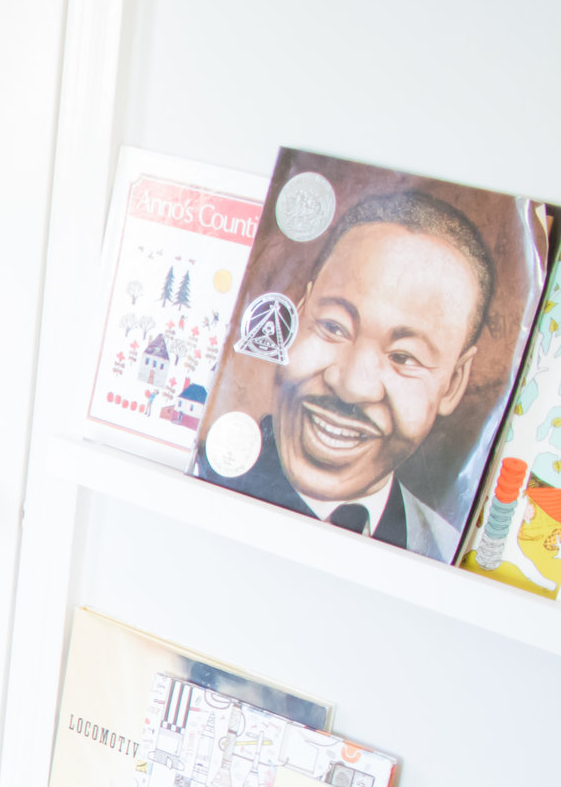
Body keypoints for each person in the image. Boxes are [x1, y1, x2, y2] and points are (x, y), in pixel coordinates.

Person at [200, 190, 498, 562]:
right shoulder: (203, 472)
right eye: (333, 327)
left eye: (403, 357)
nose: (352, 386)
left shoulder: (446, 548)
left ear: (453, 383)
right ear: (299, 313)